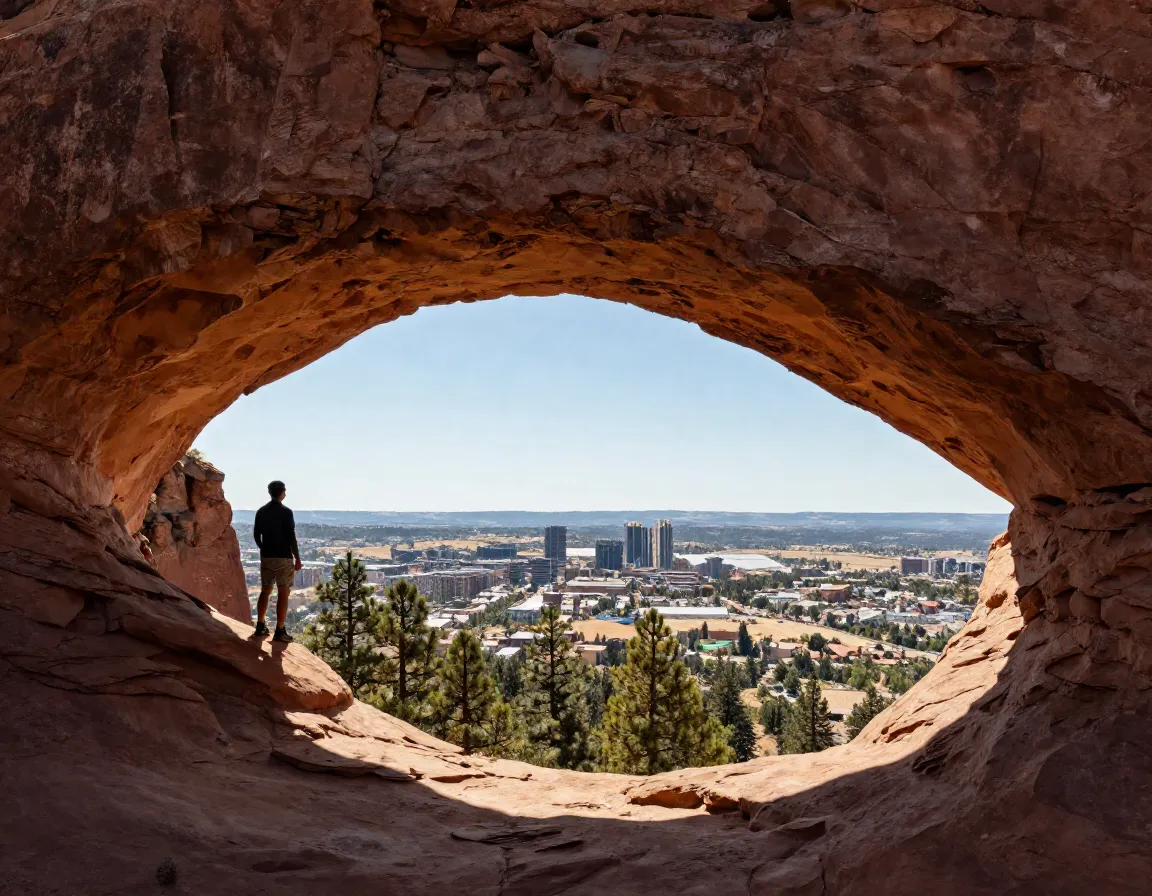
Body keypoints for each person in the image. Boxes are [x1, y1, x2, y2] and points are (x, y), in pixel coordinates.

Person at [252, 480, 302, 642]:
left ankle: (260, 626)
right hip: (283, 557)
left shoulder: (261, 511)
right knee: (283, 592)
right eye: (285, 491)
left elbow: (256, 535)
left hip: (267, 556)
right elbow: (291, 537)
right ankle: (280, 630)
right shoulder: (286, 512)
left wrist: (263, 548)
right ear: (282, 492)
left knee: (265, 590)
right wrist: (297, 557)